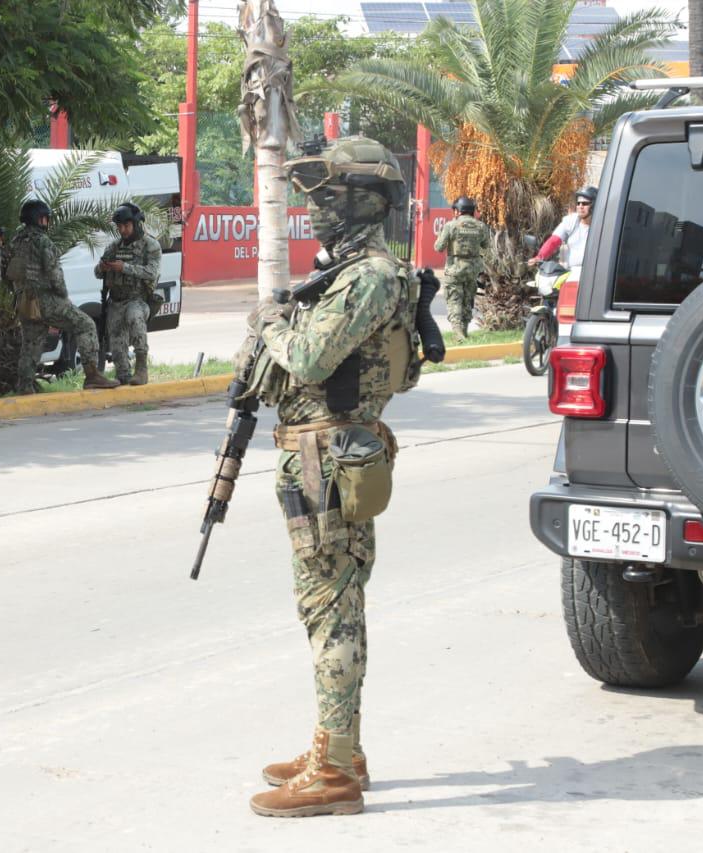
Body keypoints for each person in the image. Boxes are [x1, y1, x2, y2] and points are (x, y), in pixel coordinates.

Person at [246, 136, 420, 818]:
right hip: (334, 452)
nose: (316, 206)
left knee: (329, 608)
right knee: (339, 603)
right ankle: (340, 746)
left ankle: (333, 771)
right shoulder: (372, 273)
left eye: (330, 193)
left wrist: (271, 324)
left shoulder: (369, 275)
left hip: (327, 456)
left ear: (366, 199)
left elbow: (313, 358)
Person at [10, 201, 120, 392]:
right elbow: (55, 276)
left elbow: (7, 270)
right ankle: (93, 375)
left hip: (25, 302)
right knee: (85, 325)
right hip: (47, 301)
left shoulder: (16, 242)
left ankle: (25, 385)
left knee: (31, 343)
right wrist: (63, 298)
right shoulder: (43, 242)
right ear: (41, 219)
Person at [95, 203, 161, 386]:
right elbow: (97, 272)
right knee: (116, 342)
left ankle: (141, 369)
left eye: (126, 226)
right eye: (120, 227)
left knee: (135, 318)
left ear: (136, 224)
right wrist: (102, 267)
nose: (122, 230)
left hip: (137, 299)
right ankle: (123, 374)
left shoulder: (151, 245)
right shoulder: (114, 247)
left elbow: (151, 272)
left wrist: (125, 267)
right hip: (115, 300)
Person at [433, 195, 490, 338]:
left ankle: (458, 333)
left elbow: (438, 247)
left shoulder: (451, 225)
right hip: (473, 270)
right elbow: (486, 245)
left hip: (455, 269)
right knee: (467, 300)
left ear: (458, 211)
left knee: (454, 300)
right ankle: (464, 332)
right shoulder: (481, 226)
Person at [529, 185, 597, 271]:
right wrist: (539, 257)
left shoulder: (601, 226)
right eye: (578, 203)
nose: (580, 206)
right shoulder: (571, 220)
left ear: (594, 205)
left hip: (593, 274)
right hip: (571, 273)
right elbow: (553, 241)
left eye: (585, 203)